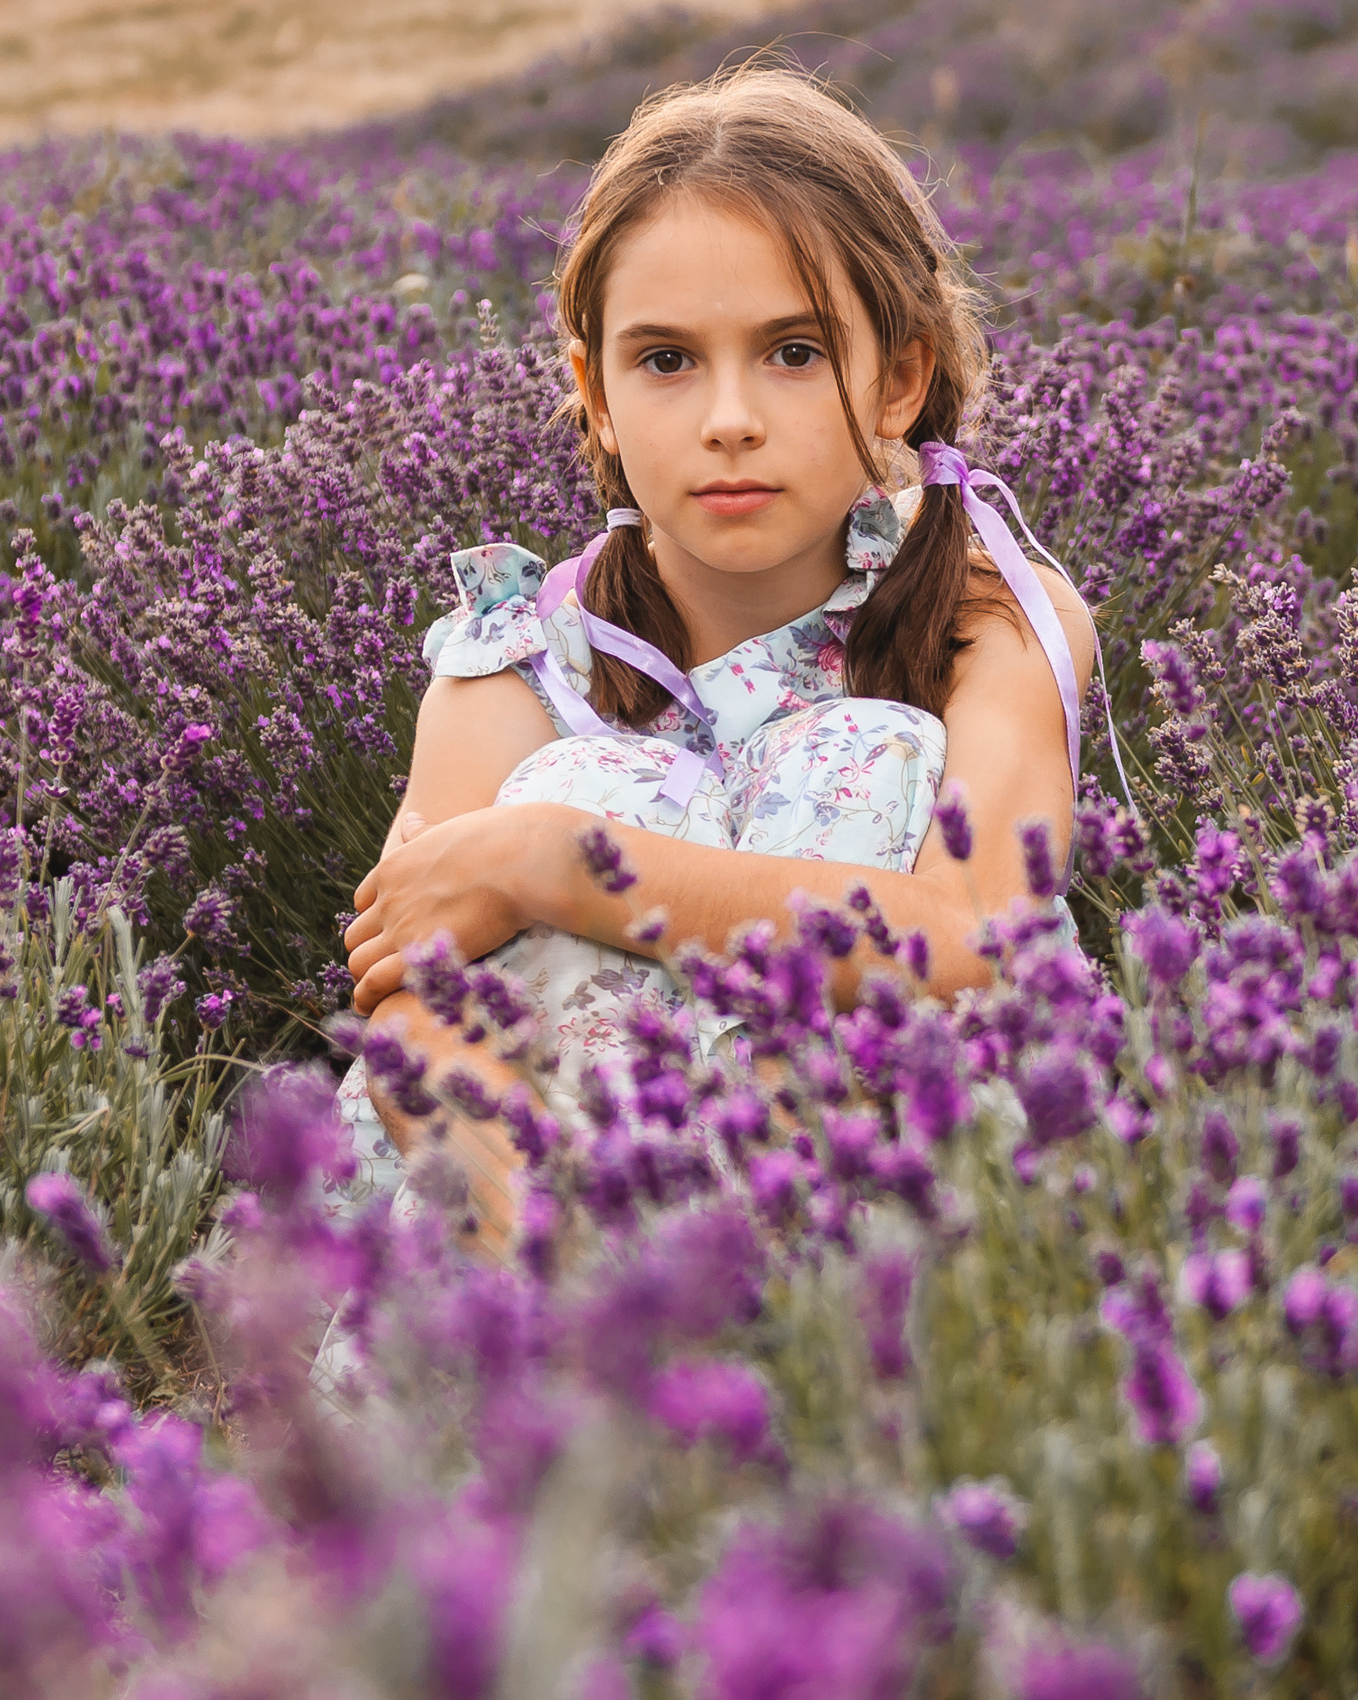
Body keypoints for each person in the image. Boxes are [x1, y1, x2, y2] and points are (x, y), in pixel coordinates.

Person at [330, 62, 1105, 1259]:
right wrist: (550, 1239)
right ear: (594, 391)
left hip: (906, 1207)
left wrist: (560, 863)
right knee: (580, 780)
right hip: (555, 1231)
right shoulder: (516, 665)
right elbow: (403, 1002)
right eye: (666, 360)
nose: (727, 416)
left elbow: (971, 936)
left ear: (898, 377)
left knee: (848, 747)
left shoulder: (984, 609)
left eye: (793, 352)